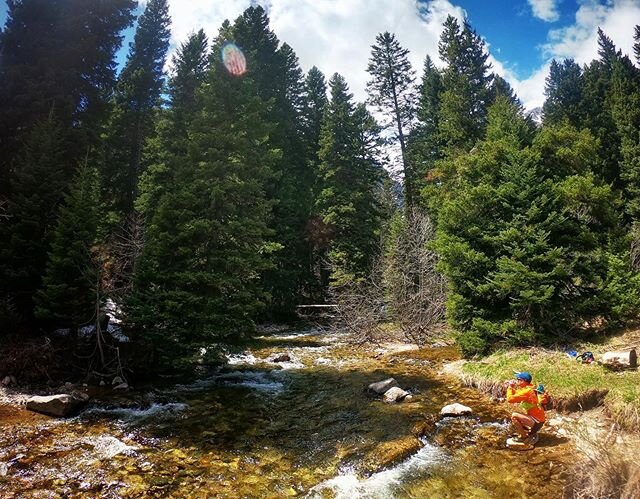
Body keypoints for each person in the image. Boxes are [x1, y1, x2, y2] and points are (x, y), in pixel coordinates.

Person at [505, 371, 545, 445]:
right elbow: (517, 394)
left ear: (523, 381)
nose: (517, 381)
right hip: (539, 420)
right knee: (517, 416)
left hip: (536, 422)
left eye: (518, 379)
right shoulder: (529, 388)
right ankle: (528, 431)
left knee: (514, 416)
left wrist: (510, 387)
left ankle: (524, 437)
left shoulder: (527, 391)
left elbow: (510, 399)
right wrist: (512, 388)